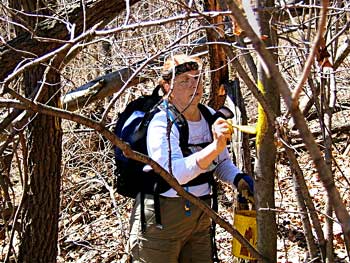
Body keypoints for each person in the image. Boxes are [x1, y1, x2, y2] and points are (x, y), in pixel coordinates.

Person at [128, 54, 254, 263]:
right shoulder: (161, 122)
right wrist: (214, 148)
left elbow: (221, 163)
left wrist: (238, 179)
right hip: (161, 219)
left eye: (197, 78)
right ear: (167, 86)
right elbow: (175, 175)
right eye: (184, 80)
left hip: (200, 216)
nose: (194, 85)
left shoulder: (209, 115)